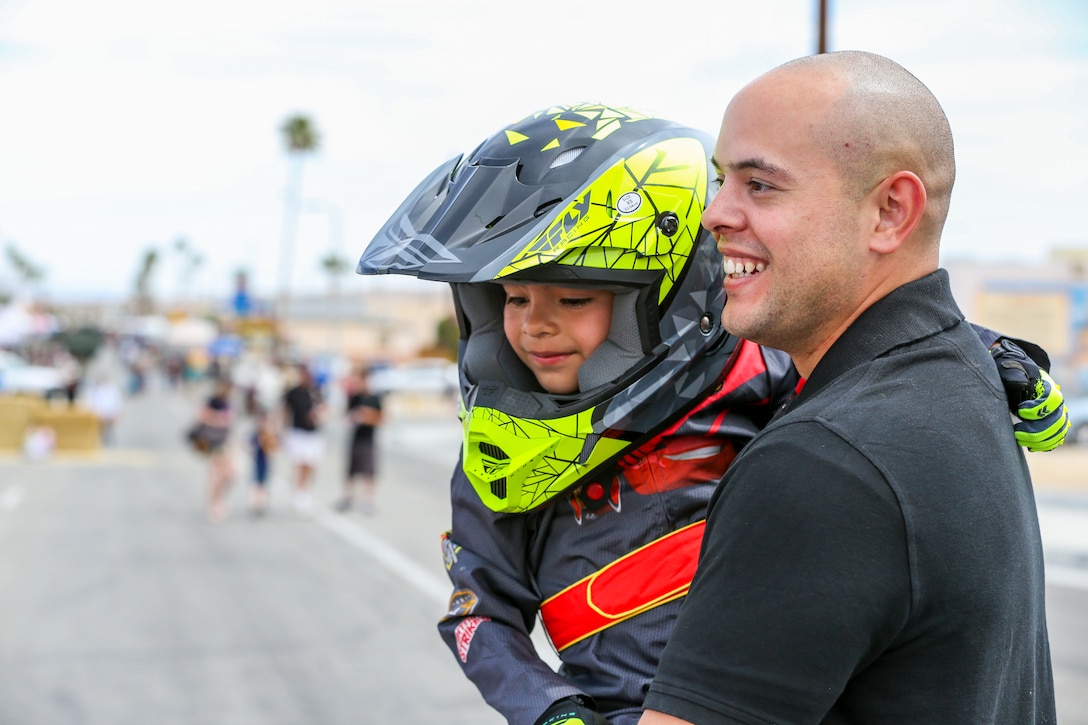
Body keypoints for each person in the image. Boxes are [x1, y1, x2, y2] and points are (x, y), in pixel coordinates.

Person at [357, 103, 1066, 725]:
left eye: (572, 300)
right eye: (512, 301)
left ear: (659, 302)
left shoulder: (744, 369)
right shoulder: (498, 452)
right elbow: (477, 612)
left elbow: (856, 355)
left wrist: (991, 353)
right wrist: (552, 710)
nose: (533, 325)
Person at [639, 51, 1057, 724]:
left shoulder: (823, 460)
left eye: (760, 185)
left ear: (890, 211)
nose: (714, 214)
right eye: (722, 182)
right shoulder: (965, 374)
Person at [334, 367, 383, 514]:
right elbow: (346, 417)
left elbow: (381, 418)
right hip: (356, 438)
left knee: (369, 471)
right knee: (351, 470)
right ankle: (348, 497)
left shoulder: (375, 398)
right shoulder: (354, 398)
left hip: (368, 439)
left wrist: (367, 417)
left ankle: (368, 500)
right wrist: (354, 418)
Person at [281, 363, 325, 512]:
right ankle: (299, 491)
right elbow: (285, 412)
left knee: (310, 464)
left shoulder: (315, 391)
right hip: (297, 432)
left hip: (312, 433)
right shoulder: (293, 393)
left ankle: (302, 489)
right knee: (300, 463)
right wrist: (283, 432)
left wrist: (318, 415)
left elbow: (323, 409)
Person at [198, 380, 234, 523]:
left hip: (225, 440)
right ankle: (215, 503)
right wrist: (218, 419)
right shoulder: (212, 402)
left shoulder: (228, 402)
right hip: (213, 441)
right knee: (216, 474)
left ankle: (218, 499)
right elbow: (202, 417)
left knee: (230, 474)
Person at [248, 406, 278, 516]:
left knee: (264, 483)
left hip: (266, 463)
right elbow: (250, 447)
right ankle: (256, 503)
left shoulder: (271, 435)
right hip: (257, 463)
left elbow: (275, 448)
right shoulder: (256, 435)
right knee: (257, 483)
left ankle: (262, 503)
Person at [85, 373, 123, 446]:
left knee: (110, 437)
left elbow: (117, 402)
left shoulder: (113, 388)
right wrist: (99, 415)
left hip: (111, 416)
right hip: (98, 417)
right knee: (99, 437)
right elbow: (90, 404)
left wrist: (116, 414)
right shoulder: (93, 389)